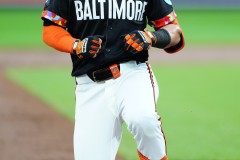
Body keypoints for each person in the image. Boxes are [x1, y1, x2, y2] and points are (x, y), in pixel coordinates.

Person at [41, 0, 185, 159]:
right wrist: (76, 45)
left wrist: (152, 36)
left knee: (143, 119)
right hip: (90, 84)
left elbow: (175, 31)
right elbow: (51, 29)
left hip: (132, 74)